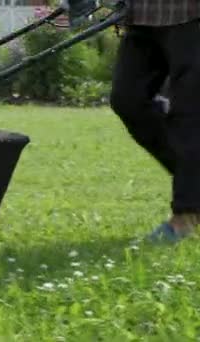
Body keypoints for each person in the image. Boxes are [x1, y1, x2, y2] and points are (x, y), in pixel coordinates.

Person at [107, 0, 200, 242]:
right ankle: (194, 185)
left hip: (192, 15)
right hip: (142, 14)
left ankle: (185, 216)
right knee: (127, 100)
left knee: (190, 113)